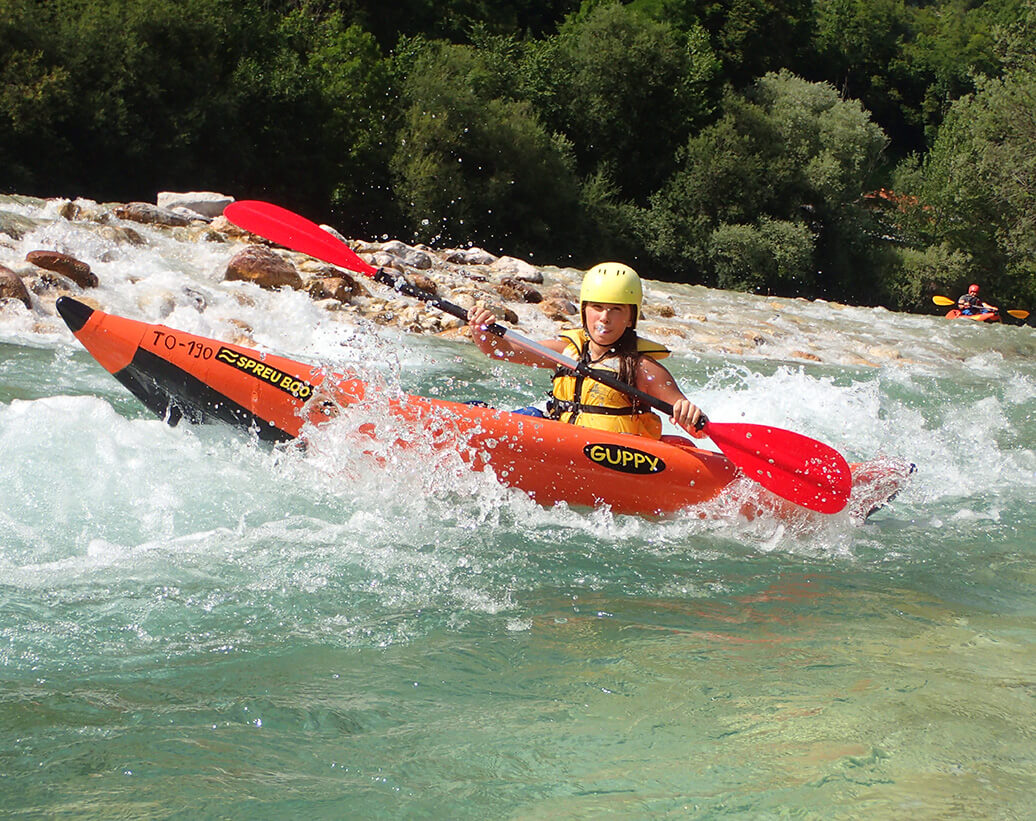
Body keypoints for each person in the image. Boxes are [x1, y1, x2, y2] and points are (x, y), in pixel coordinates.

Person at [467, 262, 706, 438]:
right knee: (476, 410)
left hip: (612, 454)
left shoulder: (644, 369)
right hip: (560, 439)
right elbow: (500, 350)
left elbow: (697, 429)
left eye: (616, 309)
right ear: (584, 311)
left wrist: (688, 413)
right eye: (597, 307)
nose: (604, 318)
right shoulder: (564, 351)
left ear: (631, 317)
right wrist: (480, 330)